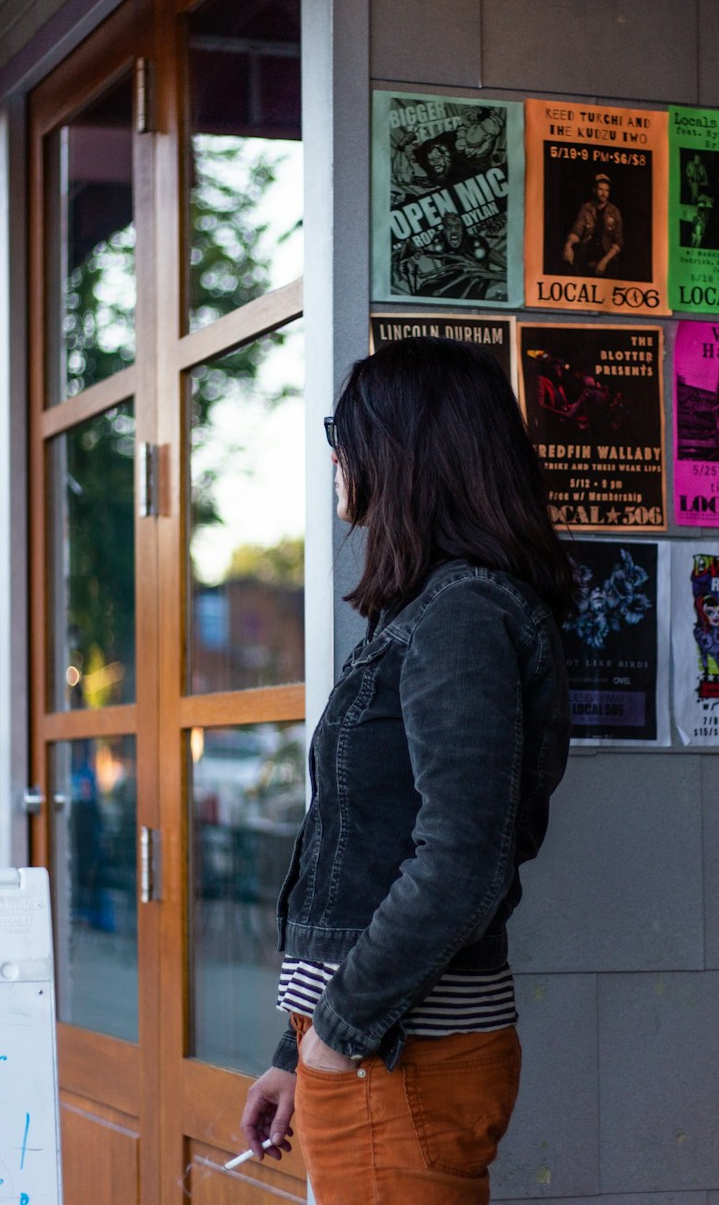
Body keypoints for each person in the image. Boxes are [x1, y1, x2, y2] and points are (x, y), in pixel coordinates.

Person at [239, 337, 575, 1202]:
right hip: (375, 1047)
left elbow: (460, 862)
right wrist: (297, 1049)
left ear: (404, 453)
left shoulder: (460, 615)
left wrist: (336, 1031)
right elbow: (363, 856)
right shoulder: (428, 609)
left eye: (342, 436)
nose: (337, 458)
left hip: (399, 1056)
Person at [562, 172, 623, 277]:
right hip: (587, 251)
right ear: (594, 190)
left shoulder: (614, 211)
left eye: (606, 190)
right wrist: (568, 245)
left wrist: (604, 261)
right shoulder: (586, 208)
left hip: (606, 253)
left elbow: (619, 241)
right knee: (571, 264)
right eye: (600, 189)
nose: (604, 193)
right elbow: (577, 229)